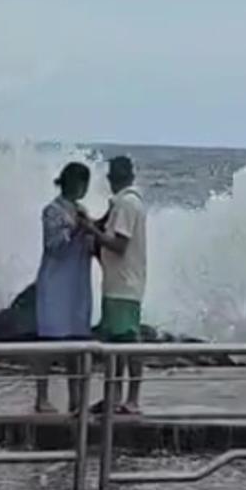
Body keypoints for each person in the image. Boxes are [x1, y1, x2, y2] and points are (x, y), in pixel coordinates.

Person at [83, 156, 147, 414]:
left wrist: (91, 231)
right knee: (118, 343)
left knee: (128, 344)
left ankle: (130, 399)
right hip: (119, 284)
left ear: (113, 178)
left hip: (124, 285)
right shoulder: (124, 203)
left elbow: (119, 245)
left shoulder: (127, 204)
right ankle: (115, 396)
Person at [34, 162, 94, 413]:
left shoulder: (82, 210)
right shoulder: (52, 211)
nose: (84, 188)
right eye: (82, 183)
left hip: (77, 285)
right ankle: (42, 397)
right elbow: (53, 245)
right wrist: (76, 229)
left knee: (77, 347)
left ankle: (76, 399)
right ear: (71, 182)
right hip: (55, 284)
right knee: (48, 344)